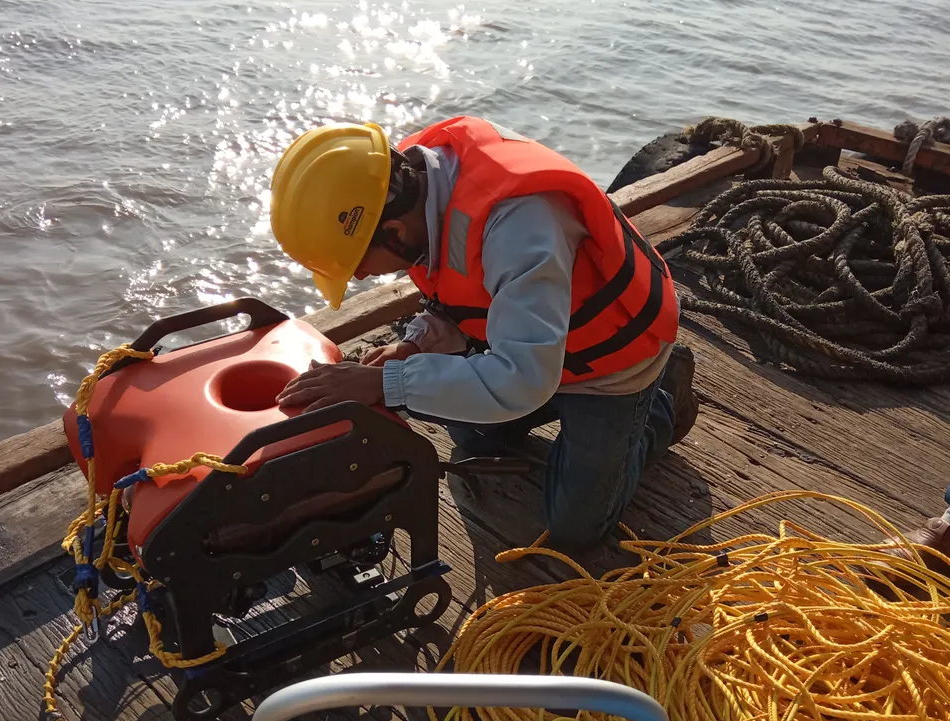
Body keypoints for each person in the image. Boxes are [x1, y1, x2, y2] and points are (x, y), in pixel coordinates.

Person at [269, 115, 699, 549]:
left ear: (393, 233)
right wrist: (415, 344)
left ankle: (659, 404)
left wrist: (384, 382)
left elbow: (522, 379)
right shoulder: (409, 193)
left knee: (575, 529)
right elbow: (457, 292)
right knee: (475, 438)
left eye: (356, 265)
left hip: (614, 363)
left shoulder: (516, 224)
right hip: (540, 344)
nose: (359, 277)